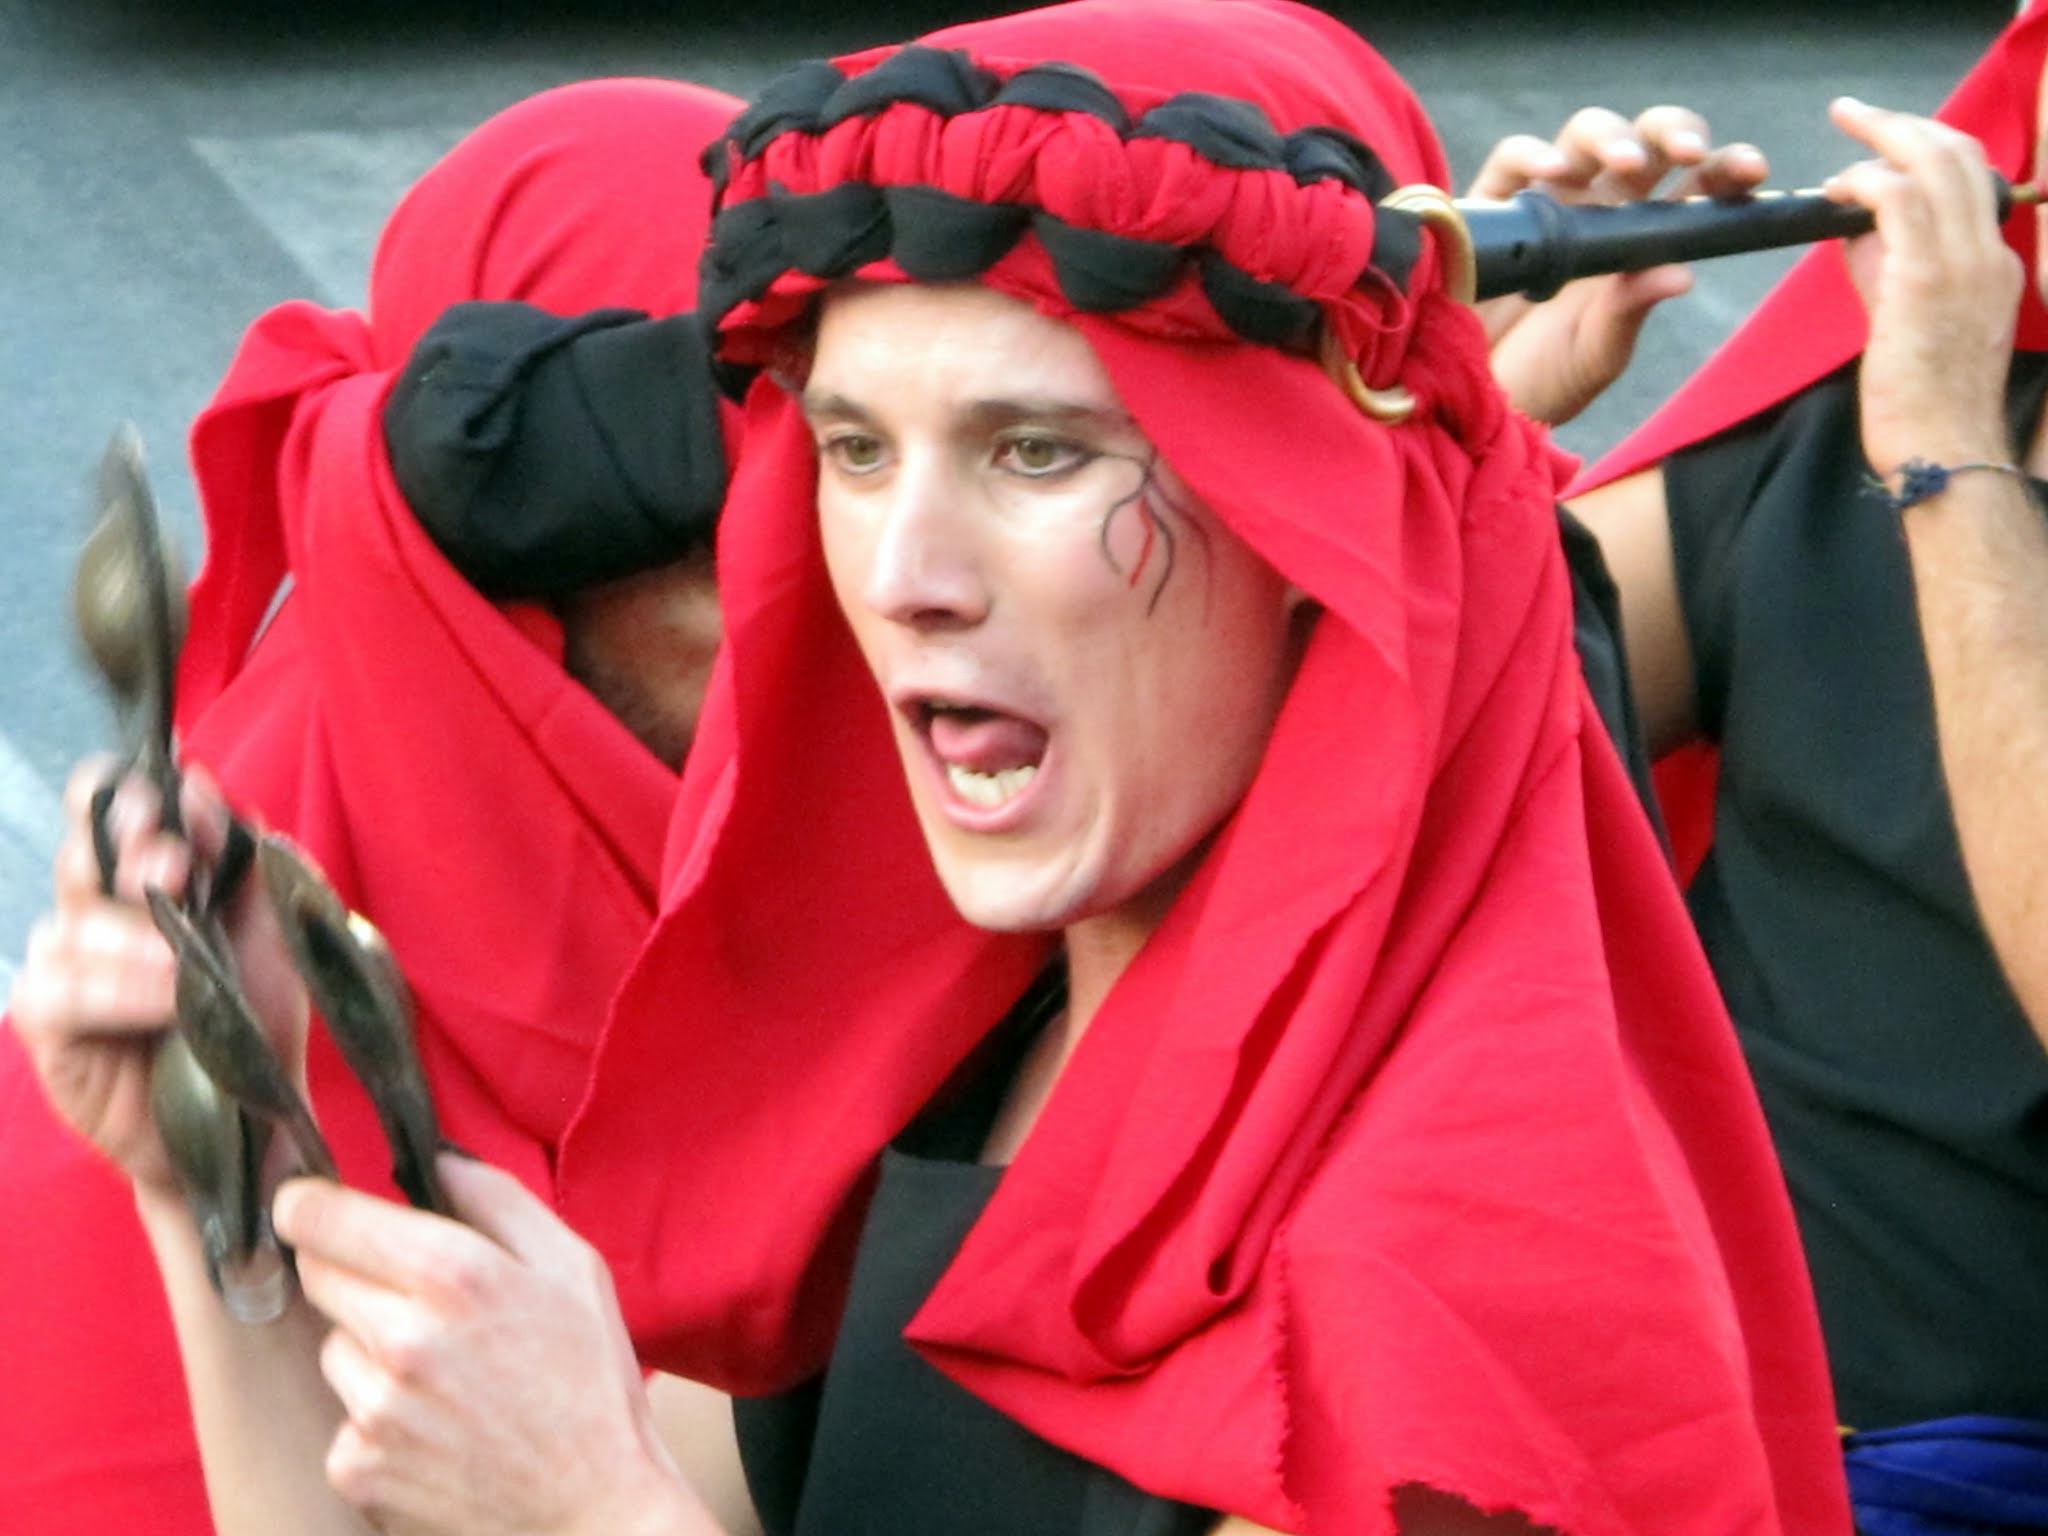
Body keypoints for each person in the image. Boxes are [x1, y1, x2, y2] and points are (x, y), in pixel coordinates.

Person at [0, 74, 739, 1536]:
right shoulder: (171, 1024)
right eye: (746, 549)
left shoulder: (897, 997)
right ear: (518, 594)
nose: (878, 612)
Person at [1556, 5, 2048, 1529]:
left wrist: (1950, 462)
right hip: (1634, 1377)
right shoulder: (1846, 433)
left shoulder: (1929, 423)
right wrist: (1464, 403)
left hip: (1957, 1465)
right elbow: (1426, 746)